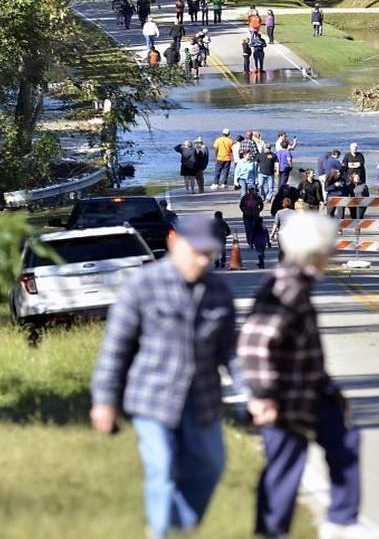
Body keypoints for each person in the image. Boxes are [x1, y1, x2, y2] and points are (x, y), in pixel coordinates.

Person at [89, 214, 240, 539]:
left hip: (202, 400)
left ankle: (180, 528)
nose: (202, 261)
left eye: (209, 254)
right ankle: (162, 533)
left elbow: (231, 352)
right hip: (153, 398)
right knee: (163, 469)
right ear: (174, 242)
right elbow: (115, 349)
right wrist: (104, 400)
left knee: (210, 466)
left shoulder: (218, 291)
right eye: (196, 251)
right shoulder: (142, 286)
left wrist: (255, 395)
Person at [238, 213, 369, 539]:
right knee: (284, 466)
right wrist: (263, 396)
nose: (333, 254)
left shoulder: (299, 282)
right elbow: (254, 342)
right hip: (284, 396)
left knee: (345, 442)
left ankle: (341, 522)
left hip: (312, 391)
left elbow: (305, 351)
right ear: (317, 250)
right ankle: (270, 532)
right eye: (330, 248)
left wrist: (333, 395)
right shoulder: (287, 287)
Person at [240, 189, 269, 269]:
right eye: (251, 191)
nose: (252, 192)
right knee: (248, 229)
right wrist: (244, 211)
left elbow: (261, 205)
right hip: (246, 216)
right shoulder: (245, 198)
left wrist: (259, 210)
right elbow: (241, 206)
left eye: (253, 191)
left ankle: (253, 242)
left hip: (255, 215)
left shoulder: (258, 198)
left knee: (254, 229)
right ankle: (250, 242)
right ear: (249, 191)